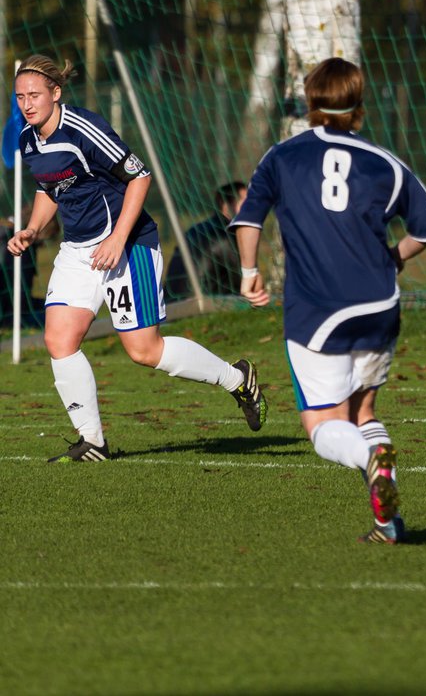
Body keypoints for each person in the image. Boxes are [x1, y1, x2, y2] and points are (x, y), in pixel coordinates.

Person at [5, 55, 267, 463]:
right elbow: (49, 190)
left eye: (34, 94)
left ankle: (238, 378)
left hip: (128, 246)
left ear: (56, 93)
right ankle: (93, 441)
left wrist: (117, 239)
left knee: (144, 351)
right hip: (77, 251)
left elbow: (139, 175)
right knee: (59, 340)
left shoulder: (84, 128)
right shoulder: (28, 138)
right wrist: (33, 230)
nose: (26, 103)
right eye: (20, 96)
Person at [232, 57, 426, 544]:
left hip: (317, 310)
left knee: (323, 425)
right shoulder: (385, 162)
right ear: (359, 106)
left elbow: (249, 219)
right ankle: (387, 524)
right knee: (363, 413)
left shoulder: (282, 156)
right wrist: (393, 258)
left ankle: (372, 462)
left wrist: (249, 272)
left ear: (310, 103)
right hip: (379, 305)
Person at [165, 181, 248, 299]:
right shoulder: (227, 235)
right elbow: (244, 283)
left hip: (173, 304)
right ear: (225, 205)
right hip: (206, 304)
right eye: (247, 203)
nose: (253, 207)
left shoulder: (194, 230)